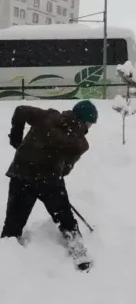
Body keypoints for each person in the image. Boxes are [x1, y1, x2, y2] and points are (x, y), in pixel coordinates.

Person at [2, 100, 98, 270]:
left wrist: (16, 139)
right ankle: (77, 247)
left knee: (13, 224)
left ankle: (6, 257)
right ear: (84, 121)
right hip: (49, 181)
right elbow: (66, 169)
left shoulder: (47, 116)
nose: (89, 128)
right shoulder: (81, 143)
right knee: (65, 218)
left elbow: (20, 110)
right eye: (90, 123)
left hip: (21, 174)